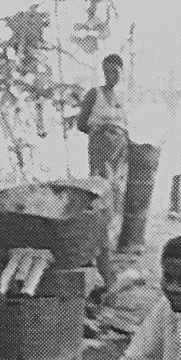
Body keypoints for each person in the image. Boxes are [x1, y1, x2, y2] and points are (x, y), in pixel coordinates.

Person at [77, 54, 130, 292]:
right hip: (100, 146)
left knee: (116, 196)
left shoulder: (119, 98)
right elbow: (81, 124)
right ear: (103, 71)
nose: (112, 76)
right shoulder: (94, 94)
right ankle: (96, 247)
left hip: (118, 149)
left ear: (121, 73)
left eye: (116, 72)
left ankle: (107, 245)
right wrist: (100, 129)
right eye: (108, 71)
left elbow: (125, 125)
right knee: (99, 192)